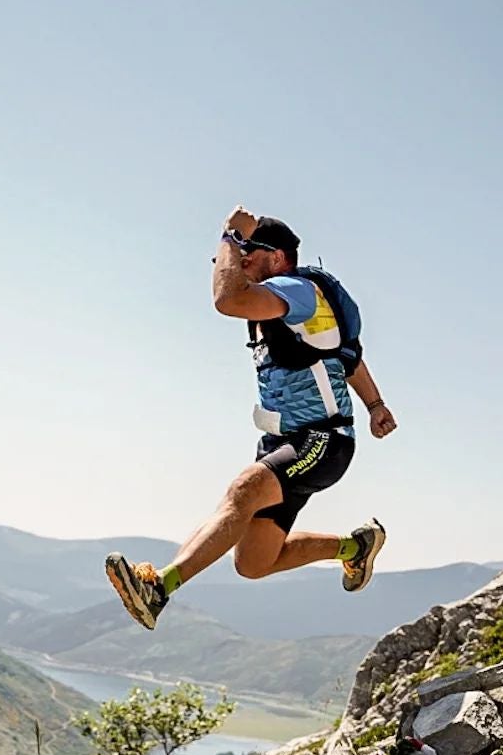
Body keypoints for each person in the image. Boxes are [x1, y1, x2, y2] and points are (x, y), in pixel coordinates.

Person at [106, 205, 397, 630]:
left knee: (244, 489)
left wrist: (229, 235)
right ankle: (356, 547)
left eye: (249, 254)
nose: (239, 262)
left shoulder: (298, 291)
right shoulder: (279, 311)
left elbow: (228, 299)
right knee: (254, 562)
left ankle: (158, 588)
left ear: (277, 258)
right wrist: (376, 406)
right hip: (284, 442)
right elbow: (344, 359)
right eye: (236, 255)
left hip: (322, 441)